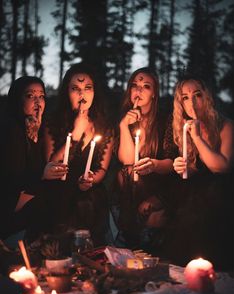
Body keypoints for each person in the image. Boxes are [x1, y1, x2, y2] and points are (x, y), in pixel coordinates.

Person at [161, 76, 234, 270]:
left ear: (207, 97)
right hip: (195, 192)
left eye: (197, 95)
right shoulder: (183, 126)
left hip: (223, 193)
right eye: (185, 97)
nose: (191, 102)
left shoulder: (226, 126)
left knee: (207, 202)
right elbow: (195, 168)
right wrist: (183, 167)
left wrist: (198, 138)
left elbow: (220, 167)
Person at [44, 63, 114, 246]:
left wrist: (91, 179)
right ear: (67, 93)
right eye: (75, 89)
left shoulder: (105, 128)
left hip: (89, 191)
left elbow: (102, 168)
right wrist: (75, 134)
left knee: (89, 202)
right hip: (59, 189)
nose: (82, 95)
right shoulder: (53, 122)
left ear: (94, 92)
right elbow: (51, 162)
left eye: (87, 88)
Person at [113, 67, 178, 250]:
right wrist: (124, 126)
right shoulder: (124, 119)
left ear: (154, 94)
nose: (139, 90)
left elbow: (172, 162)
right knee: (125, 172)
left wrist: (154, 165)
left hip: (160, 185)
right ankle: (129, 240)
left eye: (146, 86)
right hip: (130, 190)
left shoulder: (166, 120)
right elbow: (127, 161)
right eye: (135, 85)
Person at [0, 76, 66, 241]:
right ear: (17, 99)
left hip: (26, 193)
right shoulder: (11, 129)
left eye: (41, 96)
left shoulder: (37, 127)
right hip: (9, 202)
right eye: (30, 96)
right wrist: (42, 175)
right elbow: (12, 178)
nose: (38, 102)